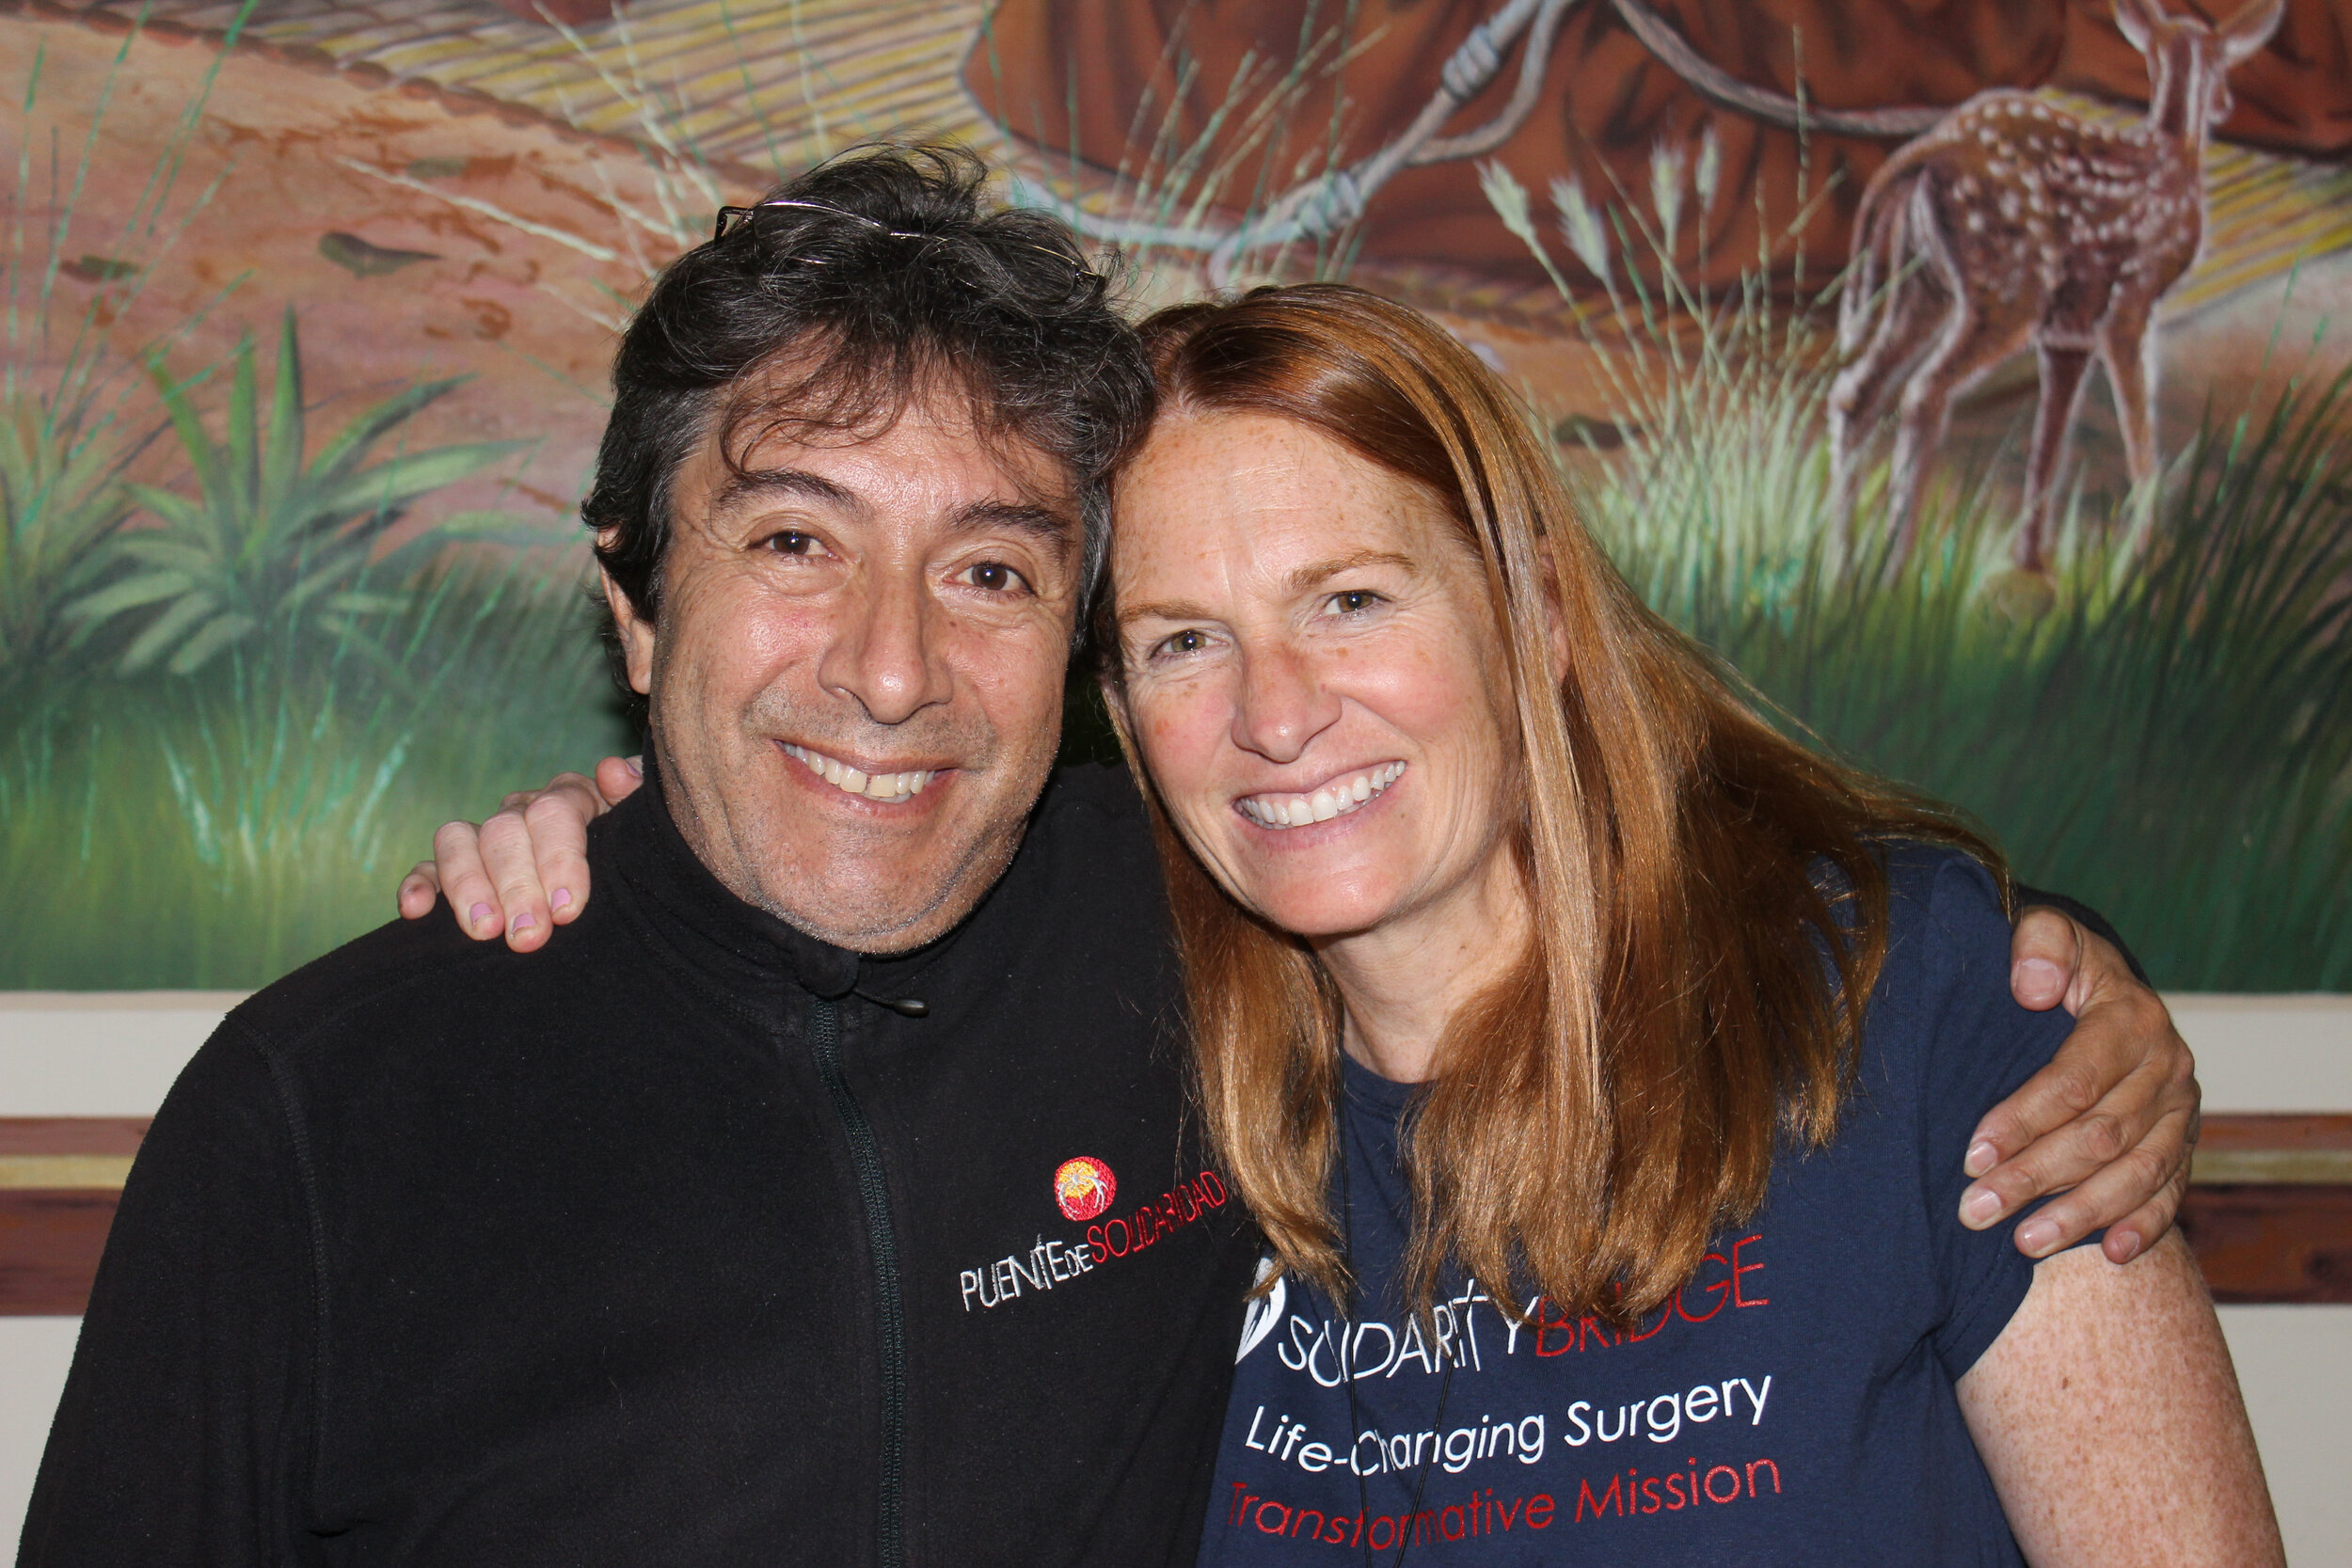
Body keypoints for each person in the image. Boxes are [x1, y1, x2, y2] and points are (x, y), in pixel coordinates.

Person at [25, 146, 2186, 1568]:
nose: (885, 675)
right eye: (791, 544)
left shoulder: (1216, 955)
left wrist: (2051, 975)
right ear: (632, 606)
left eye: (986, 572)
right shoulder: (325, 1118)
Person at [1097, 285, 2274, 1562]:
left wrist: (2010, 957)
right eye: (1184, 642)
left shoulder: (1912, 1009)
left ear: (1534, 617)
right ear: (1121, 713)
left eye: (1353, 601)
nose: (1274, 714)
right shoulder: (1140, 1118)